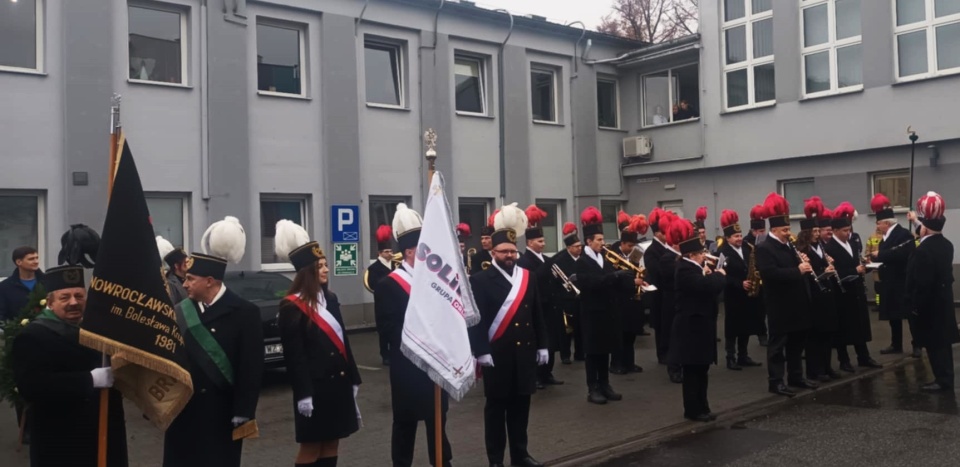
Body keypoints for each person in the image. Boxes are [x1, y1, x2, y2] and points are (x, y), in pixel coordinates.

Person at [164, 216, 265, 467]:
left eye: (191, 279)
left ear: (210, 281)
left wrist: (244, 410)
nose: (184, 284)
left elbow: (250, 367)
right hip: (183, 410)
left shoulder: (245, 312)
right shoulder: (180, 311)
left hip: (221, 412)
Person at [12, 265, 128, 467]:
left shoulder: (99, 331)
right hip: (61, 438)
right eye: (64, 297)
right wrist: (89, 380)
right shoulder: (32, 336)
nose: (73, 302)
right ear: (50, 302)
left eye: (79, 296)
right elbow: (31, 386)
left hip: (104, 431)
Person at [275, 220, 362, 467]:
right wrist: (303, 393)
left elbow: (344, 341)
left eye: (325, 265)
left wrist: (354, 377)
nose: (326, 270)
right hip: (315, 389)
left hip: (339, 384)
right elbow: (295, 357)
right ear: (307, 272)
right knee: (311, 446)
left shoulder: (331, 299)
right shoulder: (292, 306)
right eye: (320, 267)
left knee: (332, 442)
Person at [470, 204, 548, 467]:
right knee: (495, 412)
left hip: (524, 354)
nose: (510, 256)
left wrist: (543, 346)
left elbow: (537, 314)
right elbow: (476, 321)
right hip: (497, 355)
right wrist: (480, 351)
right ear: (493, 253)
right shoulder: (480, 280)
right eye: (504, 251)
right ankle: (495, 459)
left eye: (513, 251)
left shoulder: (528, 277)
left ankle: (520, 454)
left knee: (521, 409)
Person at [376, 204, 453, 467]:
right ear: (410, 253)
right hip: (408, 364)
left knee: (437, 419)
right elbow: (388, 328)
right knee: (406, 422)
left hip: (436, 364)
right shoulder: (389, 284)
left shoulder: (434, 281)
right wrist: (421, 338)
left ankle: (442, 461)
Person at [574, 207, 642, 404]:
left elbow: (614, 282)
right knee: (593, 352)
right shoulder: (582, 262)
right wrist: (615, 276)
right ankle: (592, 387)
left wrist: (632, 282)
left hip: (608, 312)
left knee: (605, 350)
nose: (603, 243)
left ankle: (605, 384)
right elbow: (591, 283)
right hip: (592, 313)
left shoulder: (603, 258)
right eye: (599, 240)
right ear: (589, 241)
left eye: (603, 240)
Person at [754, 193, 817, 398]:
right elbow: (770, 274)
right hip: (779, 304)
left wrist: (804, 263)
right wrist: (798, 270)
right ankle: (776, 381)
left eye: (789, 229)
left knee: (797, 343)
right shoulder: (764, 248)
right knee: (777, 345)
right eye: (784, 230)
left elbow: (794, 267)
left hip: (797, 303)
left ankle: (796, 376)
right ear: (773, 230)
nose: (788, 233)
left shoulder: (789, 245)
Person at [666, 217, 726, 422]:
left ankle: (703, 406)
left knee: (702, 368)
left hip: (701, 326)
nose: (704, 256)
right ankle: (693, 409)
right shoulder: (684, 269)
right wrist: (719, 275)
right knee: (693, 371)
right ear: (692, 255)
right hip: (691, 328)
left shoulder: (695, 268)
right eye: (701, 253)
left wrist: (709, 274)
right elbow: (706, 286)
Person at [905, 192, 960, 392]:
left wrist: (915, 307)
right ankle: (946, 377)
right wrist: (915, 220)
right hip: (943, 302)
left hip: (928, 306)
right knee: (943, 343)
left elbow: (921, 283)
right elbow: (927, 231)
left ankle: (942, 380)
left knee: (934, 345)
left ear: (925, 229)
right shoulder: (946, 245)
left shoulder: (922, 251)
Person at [825, 203, 882, 373]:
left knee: (860, 325)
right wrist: (853, 270)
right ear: (834, 231)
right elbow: (834, 271)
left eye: (848, 230)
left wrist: (865, 265)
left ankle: (863, 356)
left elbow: (856, 261)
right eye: (843, 230)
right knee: (843, 327)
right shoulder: (829, 248)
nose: (847, 233)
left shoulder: (852, 242)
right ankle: (844, 360)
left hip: (856, 289)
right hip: (841, 292)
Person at [517, 204, 563, 388]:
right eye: (539, 242)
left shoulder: (545, 259)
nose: (543, 244)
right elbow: (534, 277)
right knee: (537, 341)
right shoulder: (524, 260)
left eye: (544, 241)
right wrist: (552, 264)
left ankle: (547, 373)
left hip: (550, 304)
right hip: (537, 305)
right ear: (529, 243)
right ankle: (535, 375)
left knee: (550, 340)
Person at [869, 194, 919, 358]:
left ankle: (917, 345)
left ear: (887, 223)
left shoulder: (903, 234)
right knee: (893, 316)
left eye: (879, 224)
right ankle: (896, 344)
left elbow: (903, 254)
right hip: (889, 280)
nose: (877, 227)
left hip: (902, 280)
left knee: (910, 315)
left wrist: (881, 255)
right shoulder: (885, 237)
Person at [797, 198, 841, 382]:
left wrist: (829, 264)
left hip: (826, 294)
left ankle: (827, 366)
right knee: (815, 337)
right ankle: (815, 370)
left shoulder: (820, 247)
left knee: (828, 334)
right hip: (813, 296)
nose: (817, 234)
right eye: (814, 231)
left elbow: (823, 266)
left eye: (817, 231)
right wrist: (824, 270)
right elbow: (808, 273)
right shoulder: (802, 249)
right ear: (807, 233)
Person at [717, 210, 763, 370]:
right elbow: (721, 275)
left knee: (746, 325)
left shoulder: (747, 248)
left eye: (740, 235)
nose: (739, 238)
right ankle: (730, 357)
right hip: (733, 295)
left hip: (748, 294)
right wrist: (739, 283)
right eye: (736, 236)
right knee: (732, 327)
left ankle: (743, 356)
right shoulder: (722, 252)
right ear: (728, 238)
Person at [610, 215, 647, 375]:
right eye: (629, 245)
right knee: (619, 334)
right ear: (622, 243)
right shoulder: (611, 255)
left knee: (631, 333)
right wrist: (633, 282)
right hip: (618, 300)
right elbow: (613, 278)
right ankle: (616, 363)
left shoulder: (635, 254)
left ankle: (629, 362)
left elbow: (638, 270)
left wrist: (641, 281)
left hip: (633, 299)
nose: (632, 248)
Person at [658, 211, 684, 384]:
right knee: (674, 338)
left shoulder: (677, 257)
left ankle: (681, 366)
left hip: (681, 303)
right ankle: (673, 369)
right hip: (670, 303)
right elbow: (674, 277)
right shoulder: (667, 258)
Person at [554, 223, 583, 364]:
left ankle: (580, 353)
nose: (580, 248)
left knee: (580, 327)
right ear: (569, 248)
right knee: (566, 329)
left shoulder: (583, 259)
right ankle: (565, 355)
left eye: (580, 246)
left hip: (581, 297)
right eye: (576, 247)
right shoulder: (560, 260)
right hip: (566, 299)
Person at [367, 224, 395, 366]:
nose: (390, 254)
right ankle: (385, 354)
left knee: (395, 327)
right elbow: (374, 284)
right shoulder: (374, 268)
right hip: (382, 303)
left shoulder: (396, 265)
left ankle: (395, 352)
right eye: (386, 251)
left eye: (390, 251)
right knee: (384, 330)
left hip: (395, 302)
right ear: (379, 253)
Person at [644, 208, 669, 365]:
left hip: (667, 293)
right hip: (658, 293)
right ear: (657, 233)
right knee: (661, 325)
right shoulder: (652, 251)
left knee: (668, 324)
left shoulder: (666, 248)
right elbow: (657, 272)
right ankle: (662, 354)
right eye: (664, 232)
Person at [743, 205, 769, 346]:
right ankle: (761, 334)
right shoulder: (746, 242)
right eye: (760, 231)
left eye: (764, 230)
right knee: (758, 310)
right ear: (753, 231)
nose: (762, 233)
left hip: (765, 277)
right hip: (754, 277)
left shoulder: (766, 239)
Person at [0, 246, 44, 321]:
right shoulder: (5, 287)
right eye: (31, 259)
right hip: (17, 331)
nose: (36, 261)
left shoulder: (48, 281)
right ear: (19, 262)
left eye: (37, 258)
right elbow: (2, 314)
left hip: (47, 329)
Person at [156, 237, 189, 305]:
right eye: (185, 263)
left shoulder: (188, 279)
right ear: (176, 266)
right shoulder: (170, 284)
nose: (188, 265)